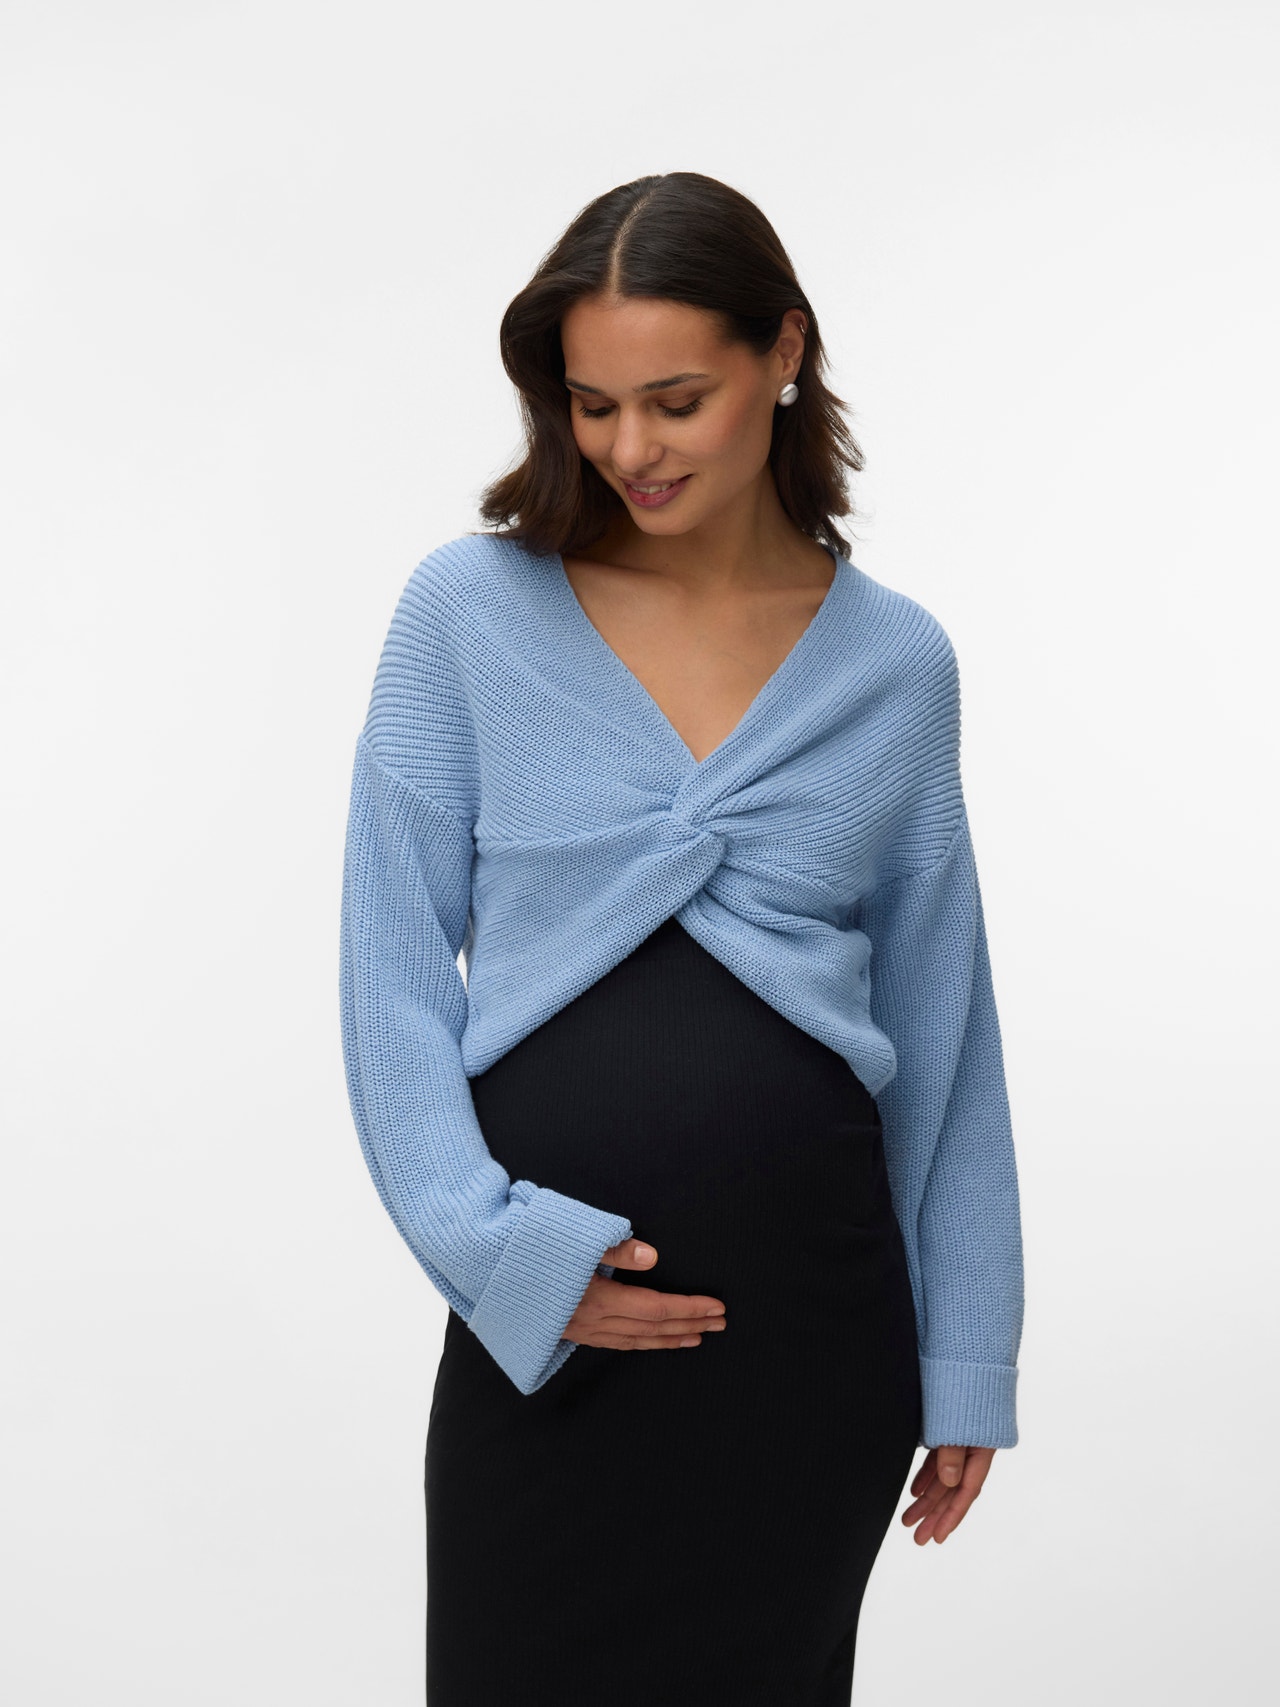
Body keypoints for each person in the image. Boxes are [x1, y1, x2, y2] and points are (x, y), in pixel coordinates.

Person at [339, 170, 1025, 1706]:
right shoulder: (467, 614)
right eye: (592, 406)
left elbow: (947, 1031)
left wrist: (969, 1346)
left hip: (814, 1349)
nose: (630, 449)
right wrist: (500, 1257)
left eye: (675, 401)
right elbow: (390, 980)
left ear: (783, 352)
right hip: (546, 1347)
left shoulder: (896, 666)